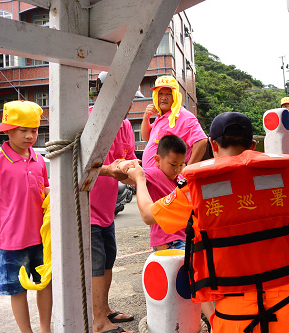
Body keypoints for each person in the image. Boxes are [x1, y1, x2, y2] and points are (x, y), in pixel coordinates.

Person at [127, 112, 289, 333]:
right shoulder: (280, 181)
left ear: (212, 144)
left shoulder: (195, 188)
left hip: (234, 316)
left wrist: (139, 178)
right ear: (253, 145)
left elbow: (149, 214)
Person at [89, 72, 139, 333]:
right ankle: (98, 321)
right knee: (96, 263)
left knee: (109, 259)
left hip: (107, 209)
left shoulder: (127, 125)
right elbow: (81, 163)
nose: (128, 105)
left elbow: (129, 159)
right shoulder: (89, 119)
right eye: (124, 98)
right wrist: (113, 170)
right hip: (87, 210)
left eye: (130, 100)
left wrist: (138, 174)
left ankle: (105, 309)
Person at [0, 100, 52, 333]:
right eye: (23, 130)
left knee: (45, 285)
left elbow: (45, 190)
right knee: (17, 291)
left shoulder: (39, 160)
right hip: (12, 241)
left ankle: (45, 329)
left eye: (34, 130)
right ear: (8, 130)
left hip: (41, 238)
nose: (30, 136)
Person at [118, 135, 187, 251]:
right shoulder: (154, 174)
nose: (177, 169)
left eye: (181, 165)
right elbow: (126, 178)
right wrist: (122, 165)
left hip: (183, 237)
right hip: (168, 241)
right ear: (158, 160)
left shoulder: (180, 178)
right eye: (173, 164)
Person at [141, 75, 207, 168]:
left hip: (170, 179)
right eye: (160, 93)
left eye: (168, 94)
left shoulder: (184, 116)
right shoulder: (161, 117)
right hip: (153, 178)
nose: (163, 98)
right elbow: (145, 137)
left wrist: (187, 169)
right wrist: (146, 117)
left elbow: (202, 141)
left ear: (175, 96)